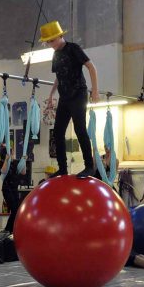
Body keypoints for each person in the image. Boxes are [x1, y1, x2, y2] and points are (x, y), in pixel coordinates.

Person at [41, 20, 100, 178]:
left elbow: (91, 67)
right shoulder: (56, 54)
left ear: (60, 36)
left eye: (52, 40)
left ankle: (89, 166)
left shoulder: (73, 48)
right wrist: (51, 95)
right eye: (48, 42)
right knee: (58, 132)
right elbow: (59, 77)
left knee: (80, 129)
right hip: (64, 97)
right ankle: (63, 168)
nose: (51, 44)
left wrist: (95, 91)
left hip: (79, 94)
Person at [0, 148, 26, 234]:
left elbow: (23, 172)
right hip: (7, 189)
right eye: (12, 153)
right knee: (14, 209)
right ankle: (8, 229)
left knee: (17, 210)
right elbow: (3, 171)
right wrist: (7, 160)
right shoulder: (3, 162)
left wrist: (24, 161)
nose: (14, 154)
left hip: (14, 189)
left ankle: (10, 229)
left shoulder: (15, 163)